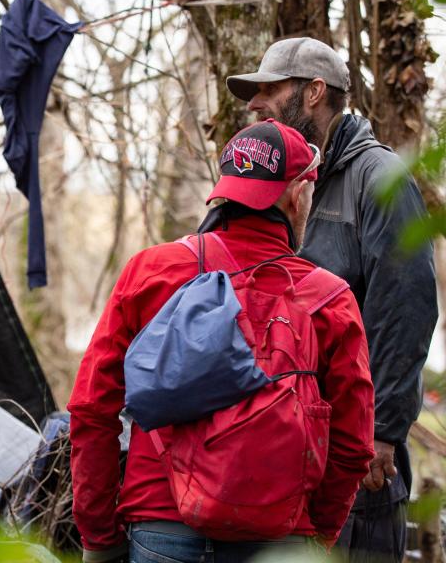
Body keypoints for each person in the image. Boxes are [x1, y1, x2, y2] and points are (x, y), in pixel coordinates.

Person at [69, 119, 375, 563]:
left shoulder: (153, 271)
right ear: (296, 193)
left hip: (162, 528)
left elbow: (93, 410)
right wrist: (313, 537)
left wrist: (98, 537)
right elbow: (353, 447)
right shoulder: (330, 300)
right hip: (280, 539)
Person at [228, 37, 438, 561]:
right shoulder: (289, 179)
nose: (256, 104)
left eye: (271, 90)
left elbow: (405, 309)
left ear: (315, 92)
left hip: (357, 452)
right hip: (289, 449)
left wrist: (381, 433)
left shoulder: (379, 179)